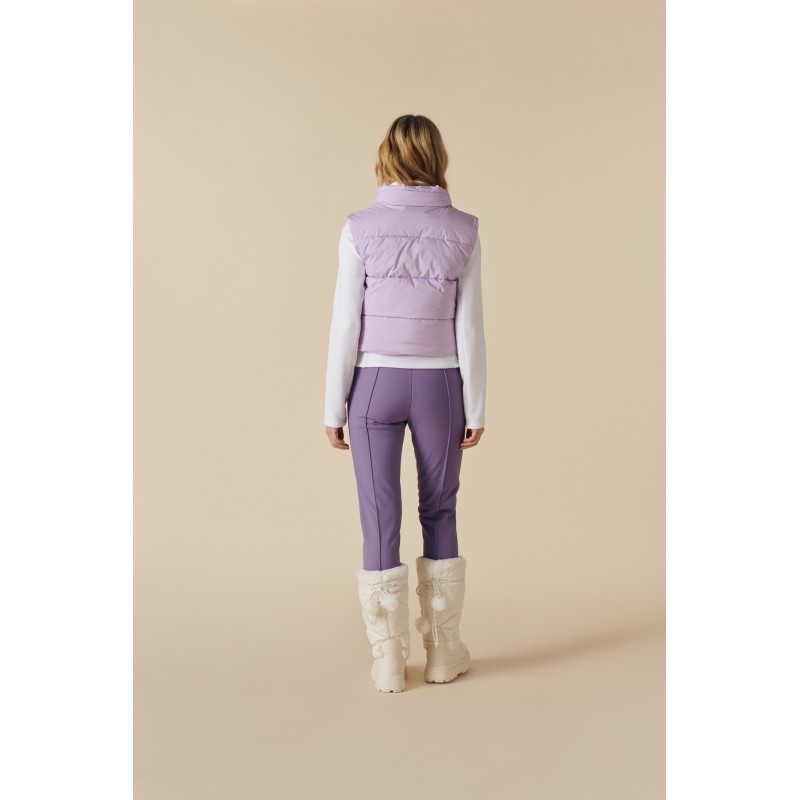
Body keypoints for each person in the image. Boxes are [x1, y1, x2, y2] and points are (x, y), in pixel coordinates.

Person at [324, 115, 487, 693]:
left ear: (386, 157)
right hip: (442, 385)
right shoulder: (464, 229)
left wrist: (333, 406)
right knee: (440, 510)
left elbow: (346, 324)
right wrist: (477, 406)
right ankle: (443, 654)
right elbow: (470, 326)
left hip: (373, 385)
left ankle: (389, 660)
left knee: (379, 515)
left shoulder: (358, 228)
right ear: (438, 157)